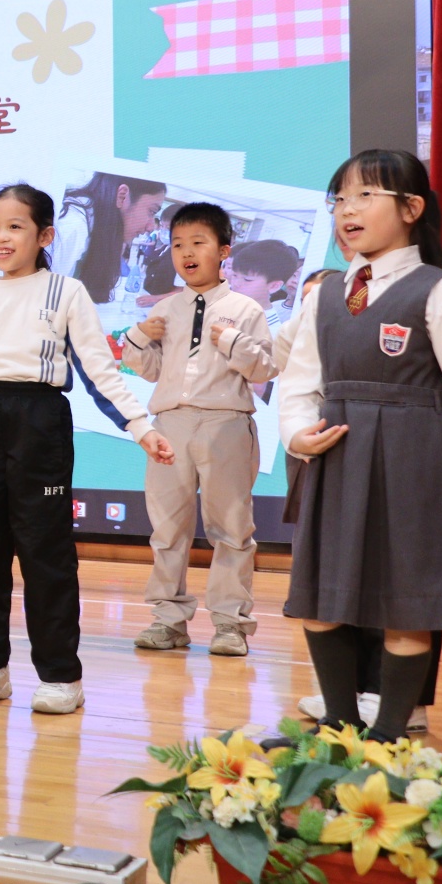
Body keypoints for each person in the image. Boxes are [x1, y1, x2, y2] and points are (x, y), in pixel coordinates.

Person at [278, 149, 442, 741]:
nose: (348, 210)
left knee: (405, 603)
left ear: (411, 208)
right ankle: (340, 725)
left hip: (413, 460)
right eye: (341, 198)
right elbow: (298, 380)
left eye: (365, 196)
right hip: (336, 458)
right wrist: (296, 432)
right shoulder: (323, 296)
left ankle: (390, 732)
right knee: (320, 599)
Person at [0, 183, 175, 714]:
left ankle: (60, 676)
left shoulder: (66, 292)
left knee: (45, 552)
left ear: (45, 235)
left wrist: (141, 427)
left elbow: (99, 371)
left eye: (15, 226)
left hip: (39, 422)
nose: (1, 237)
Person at [118, 202, 276, 657]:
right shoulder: (165, 308)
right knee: (168, 528)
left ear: (224, 250)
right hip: (170, 423)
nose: (186, 253)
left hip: (227, 422)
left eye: (198, 243)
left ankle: (230, 624)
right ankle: (168, 620)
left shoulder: (245, 309)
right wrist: (138, 336)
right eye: (177, 245)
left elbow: (265, 369)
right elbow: (150, 371)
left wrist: (232, 340)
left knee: (231, 528)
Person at [56, 172, 167, 305]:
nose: (151, 227)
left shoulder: (98, 226)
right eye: (151, 211)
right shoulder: (73, 226)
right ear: (122, 196)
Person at [226, 239, 303, 330]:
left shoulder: (269, 330)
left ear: (274, 286)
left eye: (247, 280)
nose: (236, 283)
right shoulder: (229, 304)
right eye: (235, 275)